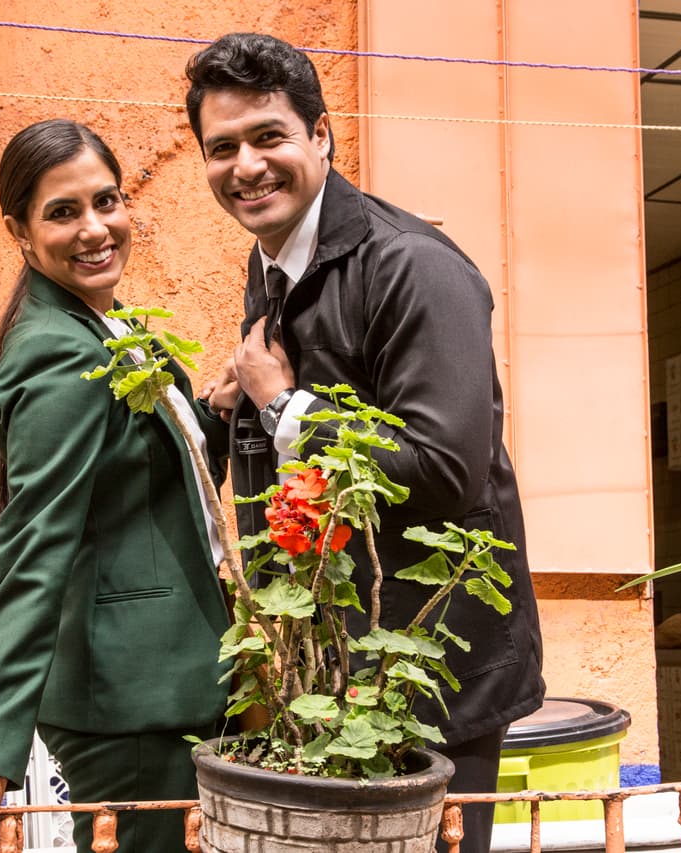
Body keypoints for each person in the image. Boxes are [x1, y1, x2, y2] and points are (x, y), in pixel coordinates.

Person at [185, 33, 545, 853]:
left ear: (321, 135)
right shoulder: (272, 261)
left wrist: (286, 405)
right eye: (222, 147)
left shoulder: (412, 265)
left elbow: (444, 470)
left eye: (269, 136)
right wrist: (240, 403)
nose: (246, 166)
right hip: (331, 674)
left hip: (431, 674)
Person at [0, 118, 231, 853]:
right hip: (130, 704)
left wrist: (219, 409)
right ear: (18, 231)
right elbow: (34, 552)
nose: (96, 228)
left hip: (162, 685)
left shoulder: (105, 323)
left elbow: (154, 480)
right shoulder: (60, 354)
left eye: (107, 201)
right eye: (63, 212)